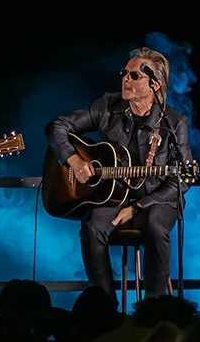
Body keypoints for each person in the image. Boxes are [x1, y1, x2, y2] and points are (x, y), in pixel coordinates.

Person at [45, 46, 192, 303]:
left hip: (156, 200)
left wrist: (138, 207)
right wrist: (75, 161)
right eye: (125, 72)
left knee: (157, 227)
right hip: (113, 200)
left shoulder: (173, 122)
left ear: (155, 84)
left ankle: (153, 308)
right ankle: (104, 307)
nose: (125, 78)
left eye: (134, 75)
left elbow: (181, 179)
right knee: (92, 227)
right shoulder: (107, 106)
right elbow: (57, 126)